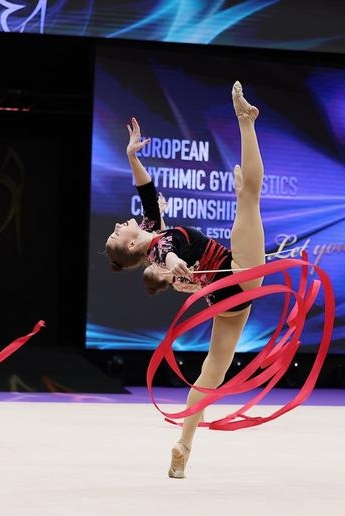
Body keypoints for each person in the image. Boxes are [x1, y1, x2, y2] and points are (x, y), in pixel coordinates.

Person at [105, 81, 265, 478]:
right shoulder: (159, 245)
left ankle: (184, 446)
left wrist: (131, 156)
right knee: (248, 195)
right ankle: (245, 120)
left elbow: (146, 191)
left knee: (212, 373)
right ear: (130, 246)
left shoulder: (150, 228)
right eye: (117, 233)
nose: (118, 225)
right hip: (238, 274)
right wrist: (174, 261)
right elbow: (168, 249)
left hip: (226, 300)